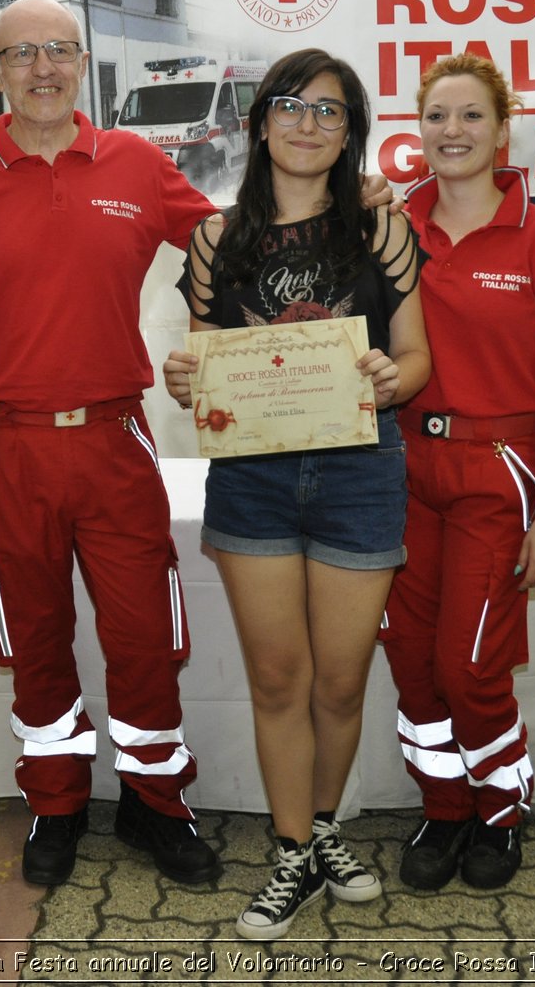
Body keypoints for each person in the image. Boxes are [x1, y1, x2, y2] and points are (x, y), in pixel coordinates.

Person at [0, 0, 229, 891]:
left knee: (144, 635)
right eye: (22, 55)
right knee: (34, 635)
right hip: (3, 442)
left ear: (82, 64)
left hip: (117, 437)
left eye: (59, 51)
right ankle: (57, 800)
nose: (42, 68)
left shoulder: (134, 159)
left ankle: (159, 802)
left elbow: (223, 241)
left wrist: (345, 197)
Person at [160, 49, 430, 939]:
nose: (308, 124)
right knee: (280, 677)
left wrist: (392, 376)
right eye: (291, 106)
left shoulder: (380, 227)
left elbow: (420, 357)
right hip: (254, 476)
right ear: (259, 120)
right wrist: (186, 377)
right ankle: (291, 853)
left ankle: (320, 833)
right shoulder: (213, 238)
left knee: (341, 682)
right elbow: (203, 361)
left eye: (330, 111)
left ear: (351, 131)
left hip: (360, 467)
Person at [381, 53, 535, 892]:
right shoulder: (393, 221)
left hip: (498, 464)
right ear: (419, 129)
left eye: (472, 116)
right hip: (401, 462)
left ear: (502, 129)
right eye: (437, 116)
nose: (453, 132)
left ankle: (501, 808)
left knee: (469, 662)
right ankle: (444, 805)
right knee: (409, 656)